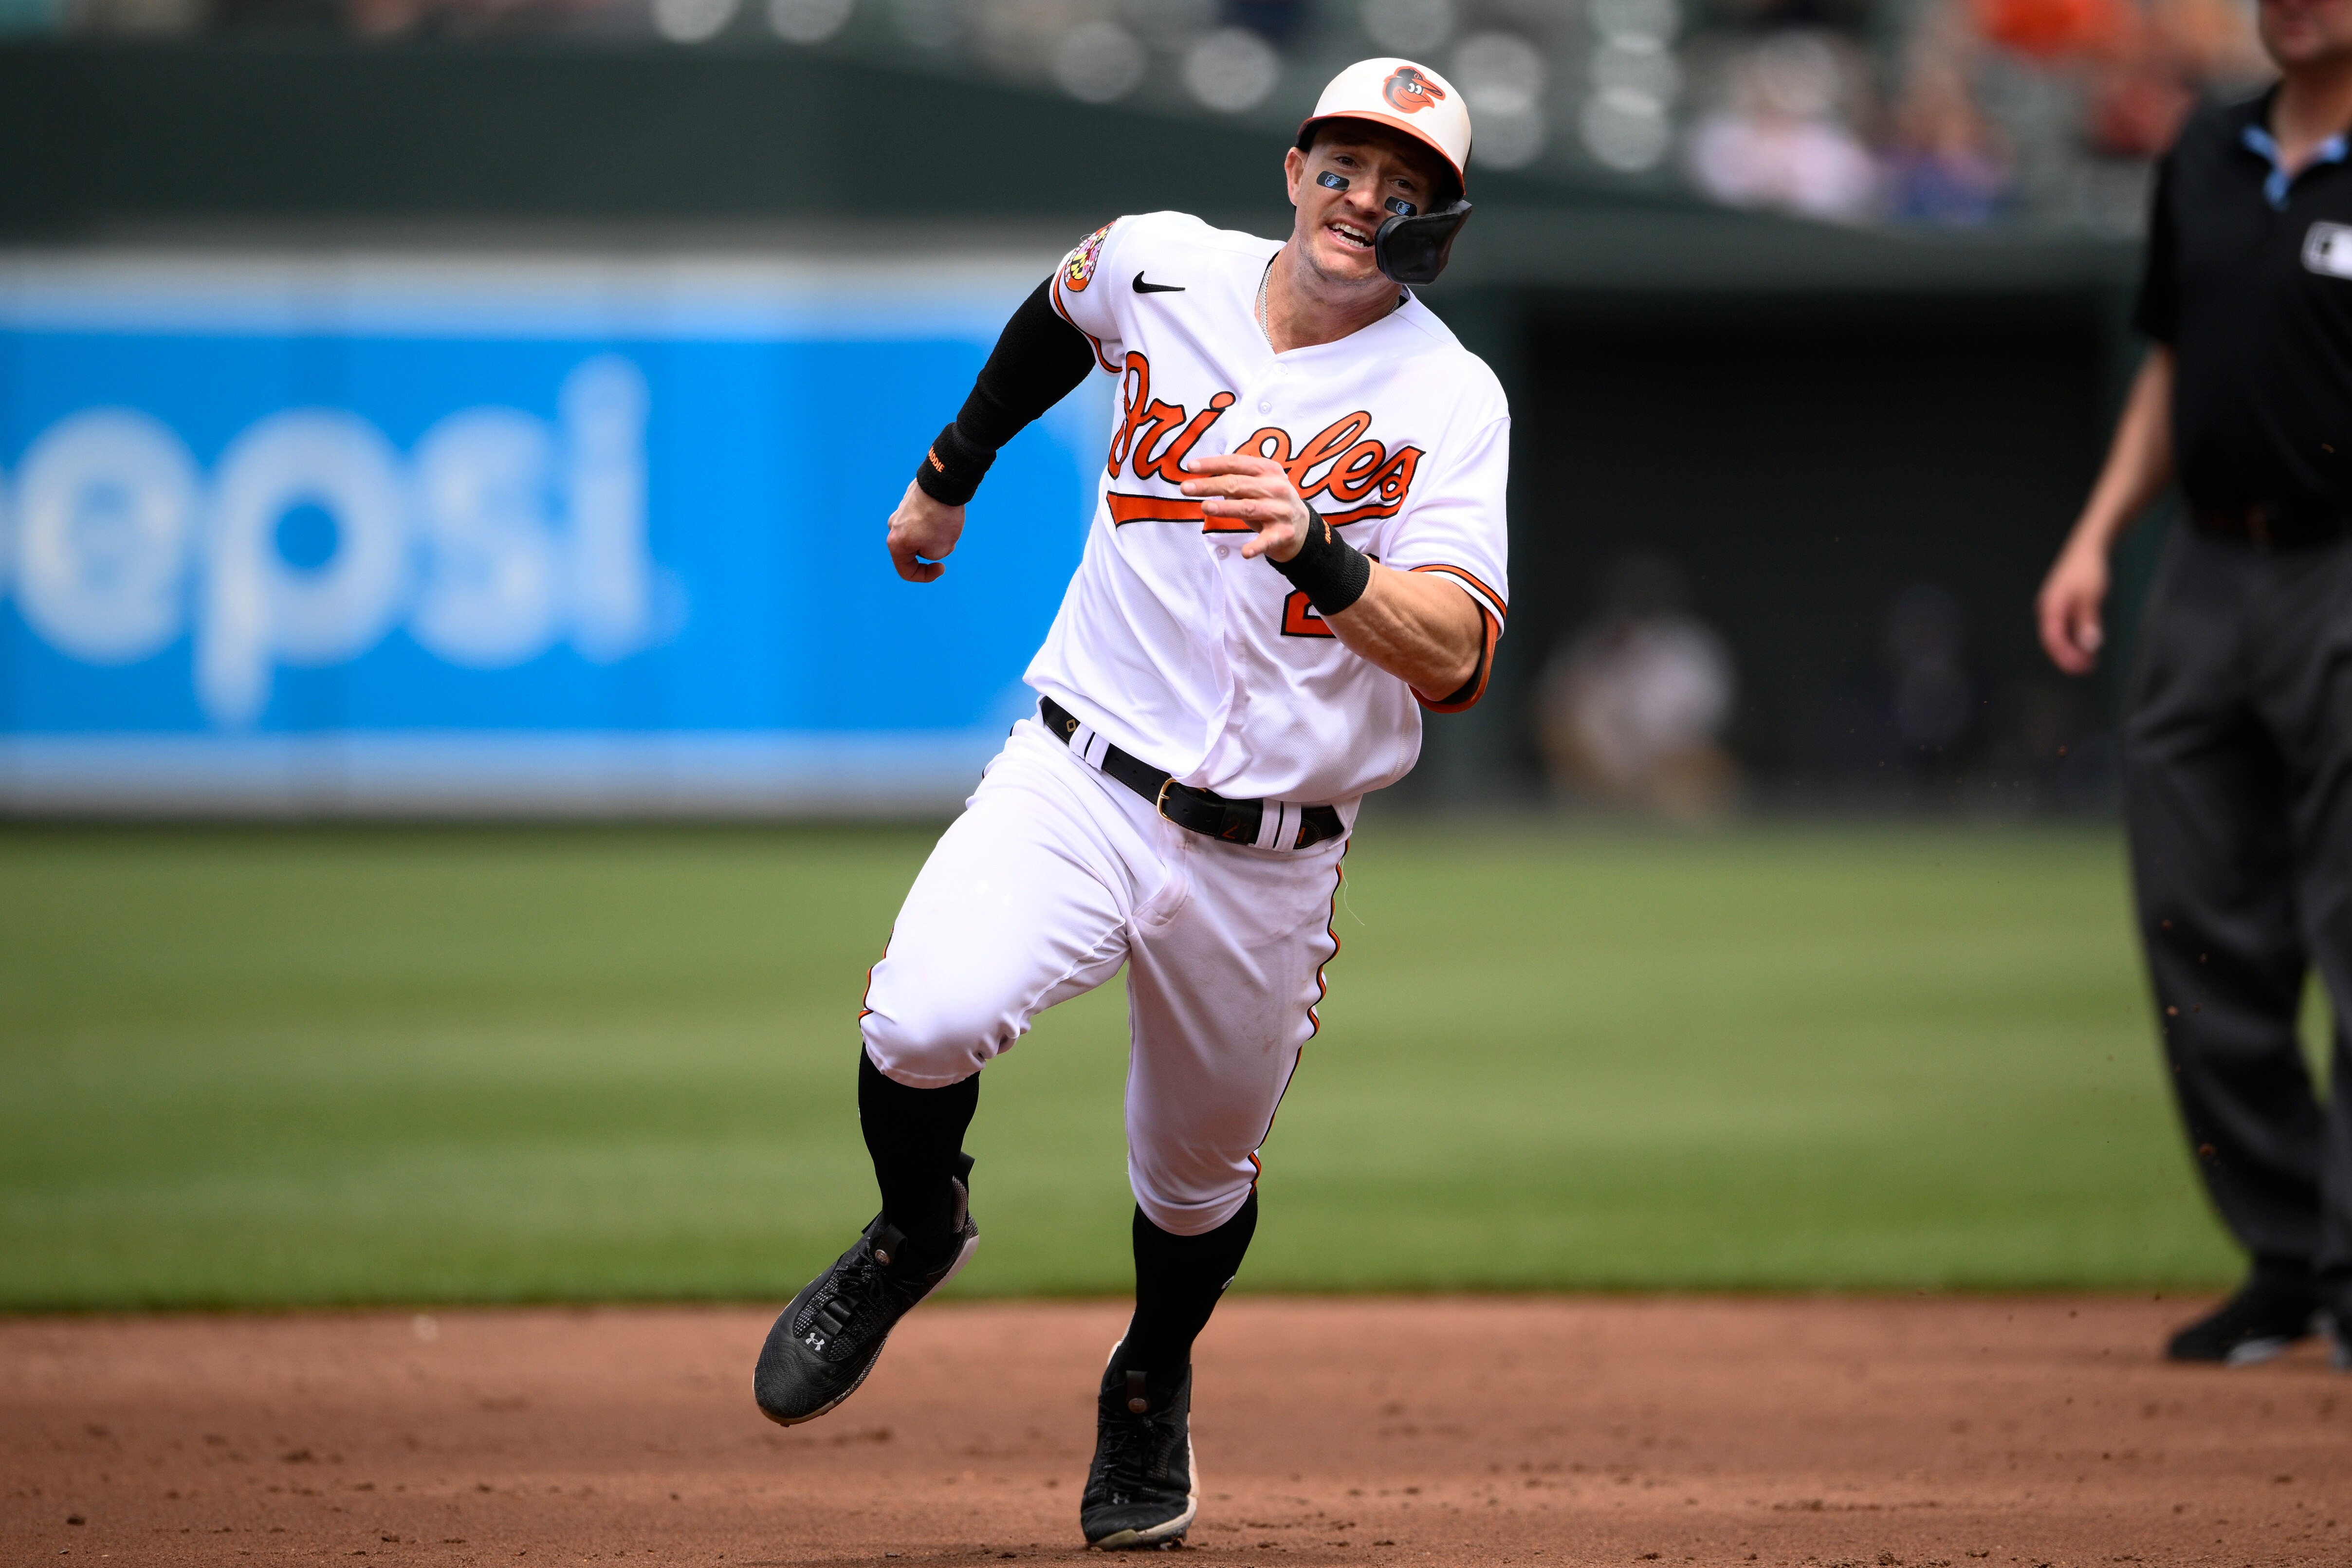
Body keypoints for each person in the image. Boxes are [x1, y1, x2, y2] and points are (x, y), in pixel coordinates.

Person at [751, 58, 1510, 1546]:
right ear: (1295, 169)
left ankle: (1152, 1376)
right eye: (1347, 167)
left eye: (1405, 186)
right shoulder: (1164, 261)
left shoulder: (1450, 395)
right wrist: (948, 475)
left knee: (1193, 1182)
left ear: (1439, 223)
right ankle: (916, 1227)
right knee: (920, 1020)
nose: (1367, 200)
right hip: (1083, 772)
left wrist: (1327, 558)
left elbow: (1462, 655)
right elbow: (1057, 310)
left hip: (1273, 855)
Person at [2036, 0, 2352, 1368]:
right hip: (2209, 571)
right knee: (2200, 927)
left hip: (2343, 560)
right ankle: (2287, 1258)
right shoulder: (2208, 150)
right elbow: (2171, 362)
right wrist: (2100, 534)